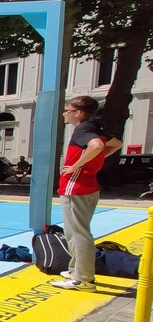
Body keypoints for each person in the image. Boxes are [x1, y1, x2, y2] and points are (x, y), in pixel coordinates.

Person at [51, 96, 123, 291]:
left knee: (77, 233)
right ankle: (77, 271)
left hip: (76, 187)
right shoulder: (96, 128)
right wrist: (93, 160)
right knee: (75, 231)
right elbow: (116, 144)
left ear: (79, 113)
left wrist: (75, 165)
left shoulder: (82, 129)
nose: (65, 114)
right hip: (88, 186)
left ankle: (83, 279)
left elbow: (97, 147)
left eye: (68, 110)